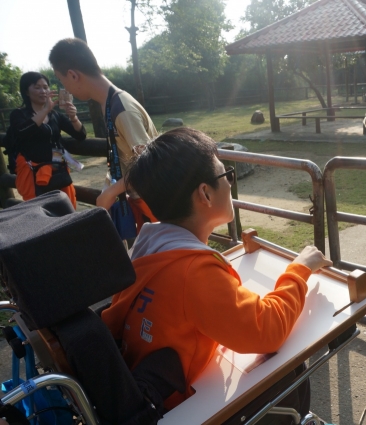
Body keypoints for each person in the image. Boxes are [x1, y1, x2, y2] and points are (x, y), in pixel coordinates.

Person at [101, 127, 332, 422]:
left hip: (143, 390)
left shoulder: (147, 248)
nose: (231, 184)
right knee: (291, 366)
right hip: (177, 408)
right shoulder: (195, 272)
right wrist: (301, 269)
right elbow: (267, 331)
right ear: (205, 194)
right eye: (227, 176)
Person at [48, 38, 157, 234]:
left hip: (157, 205)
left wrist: (112, 192)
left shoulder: (121, 109)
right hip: (144, 201)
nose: (65, 87)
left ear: (73, 75)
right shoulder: (109, 103)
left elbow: (149, 166)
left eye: (61, 80)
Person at [9, 72, 86, 209]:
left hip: (57, 170)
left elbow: (80, 135)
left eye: (45, 87)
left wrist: (74, 117)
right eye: (37, 87)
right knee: (38, 212)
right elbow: (22, 132)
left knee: (67, 209)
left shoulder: (55, 115)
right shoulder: (19, 114)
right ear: (26, 91)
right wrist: (44, 110)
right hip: (32, 172)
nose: (43, 91)